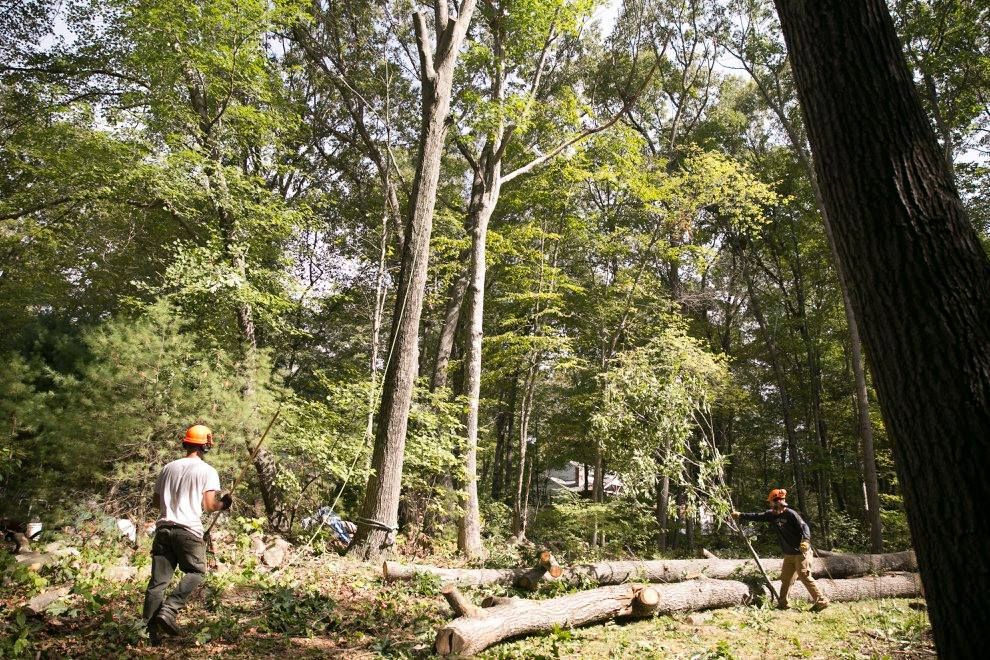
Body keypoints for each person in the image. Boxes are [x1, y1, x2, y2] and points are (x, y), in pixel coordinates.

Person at [142, 424, 232, 641]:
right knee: (196, 572)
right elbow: (210, 506)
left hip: (163, 530)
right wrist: (224, 504)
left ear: (186, 443)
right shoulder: (207, 471)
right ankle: (170, 609)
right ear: (205, 446)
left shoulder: (168, 468)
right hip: (188, 531)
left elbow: (156, 502)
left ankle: (147, 631)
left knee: (157, 584)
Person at [732, 488, 829, 612]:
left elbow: (804, 526)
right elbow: (757, 516)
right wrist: (741, 515)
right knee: (786, 579)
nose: (771, 504)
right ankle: (783, 604)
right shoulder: (771, 515)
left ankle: (821, 601)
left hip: (801, 553)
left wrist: (806, 540)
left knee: (804, 575)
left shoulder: (791, 514)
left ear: (778, 502)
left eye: (772, 502)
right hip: (789, 554)